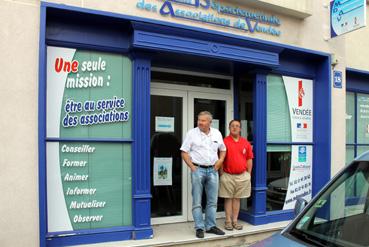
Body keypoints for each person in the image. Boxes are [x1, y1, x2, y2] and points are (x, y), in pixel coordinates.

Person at [180, 111, 226, 238]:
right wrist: (192, 167)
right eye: (199, 120)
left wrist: (220, 161)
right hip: (198, 170)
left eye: (203, 120)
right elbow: (184, 151)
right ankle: (199, 227)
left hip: (213, 170)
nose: (200, 122)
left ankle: (210, 226)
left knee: (212, 201)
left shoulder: (217, 133)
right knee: (197, 201)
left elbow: (223, 149)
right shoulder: (191, 133)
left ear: (210, 122)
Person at [219, 120, 253, 231]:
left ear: (240, 129)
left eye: (237, 126)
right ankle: (228, 221)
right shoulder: (224, 141)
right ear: (229, 128)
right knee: (228, 199)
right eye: (232, 126)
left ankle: (235, 221)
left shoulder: (245, 143)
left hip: (242, 175)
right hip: (228, 175)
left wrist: (248, 174)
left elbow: (249, 159)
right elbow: (220, 158)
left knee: (237, 199)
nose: (235, 128)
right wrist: (221, 173)